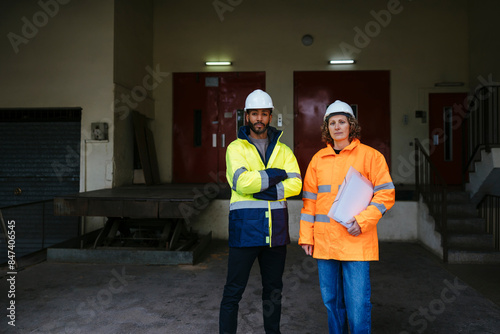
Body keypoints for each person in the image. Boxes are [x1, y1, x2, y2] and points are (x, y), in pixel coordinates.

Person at [298, 100, 395, 334]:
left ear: (351, 125)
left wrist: (361, 222)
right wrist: (306, 237)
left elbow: (386, 194)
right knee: (332, 303)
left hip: (356, 241)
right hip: (325, 242)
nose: (337, 127)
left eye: (342, 122)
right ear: (327, 128)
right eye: (332, 123)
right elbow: (309, 201)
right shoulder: (318, 160)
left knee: (358, 305)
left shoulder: (371, 157)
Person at [219, 89, 302, 334]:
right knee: (233, 292)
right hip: (245, 229)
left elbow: (296, 184)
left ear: (270, 116)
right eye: (254, 113)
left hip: (275, 233)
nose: (259, 118)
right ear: (247, 117)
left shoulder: (284, 151)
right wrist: (277, 175)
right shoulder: (236, 148)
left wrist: (260, 187)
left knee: (274, 292)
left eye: (263, 114)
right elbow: (241, 183)